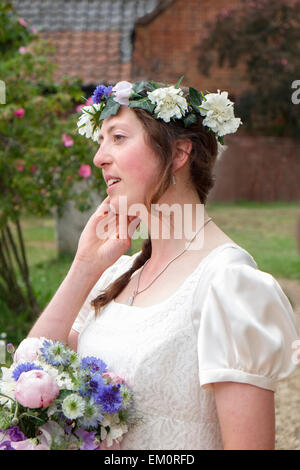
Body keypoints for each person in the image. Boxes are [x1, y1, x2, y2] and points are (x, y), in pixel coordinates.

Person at [28, 79, 299, 450]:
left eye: (118, 137)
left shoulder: (229, 283)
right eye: (101, 141)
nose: (99, 157)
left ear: (178, 154)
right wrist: (84, 267)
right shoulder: (115, 276)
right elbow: (32, 373)